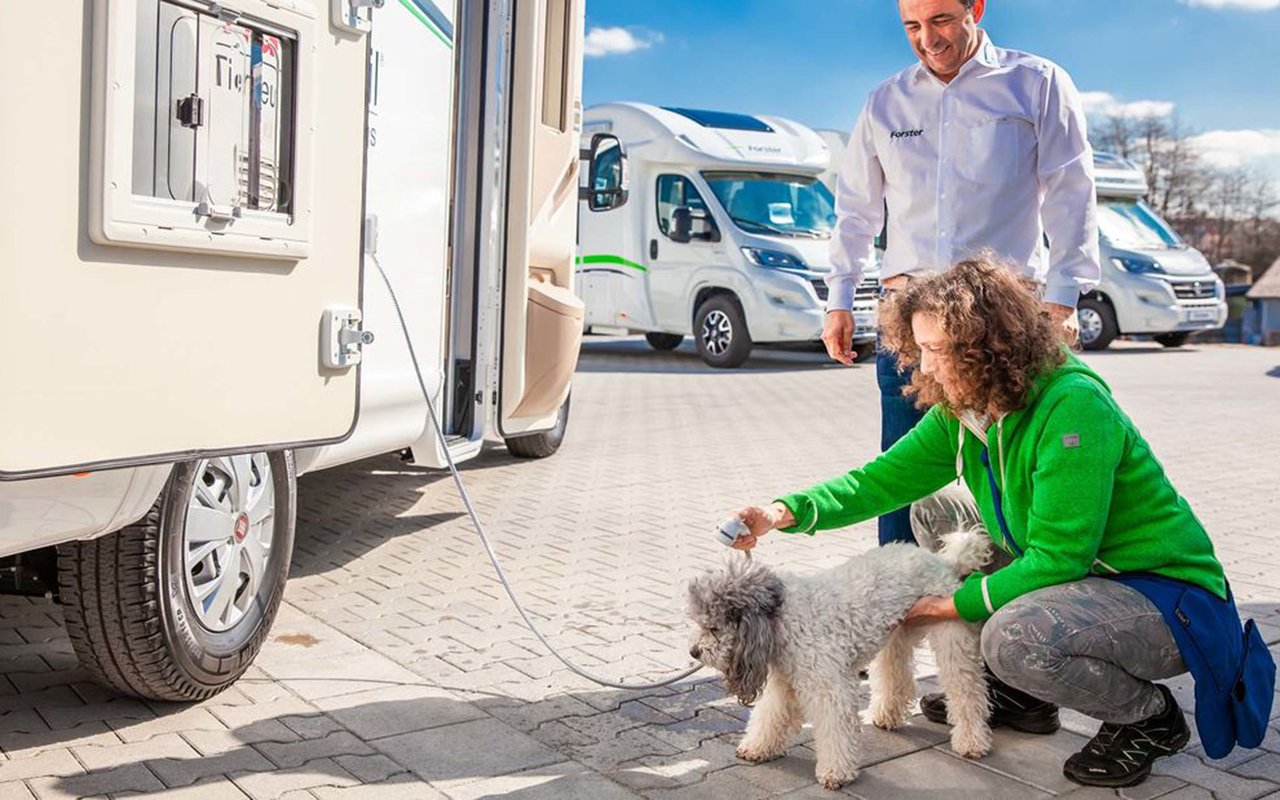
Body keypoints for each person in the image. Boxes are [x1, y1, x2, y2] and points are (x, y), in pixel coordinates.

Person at [732, 258, 1240, 788]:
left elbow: (1060, 555)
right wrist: (780, 513)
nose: (924, 368)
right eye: (919, 348)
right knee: (934, 511)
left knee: (1012, 639)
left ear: (985, 347)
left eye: (936, 351)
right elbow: (880, 481)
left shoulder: (1074, 408)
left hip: (1166, 598)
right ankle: (1024, 696)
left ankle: (1149, 718)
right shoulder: (967, 405)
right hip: (1084, 570)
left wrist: (948, 605)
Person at [822, 0, 1101, 548]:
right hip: (911, 327)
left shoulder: (1036, 83)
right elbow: (855, 210)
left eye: (942, 20)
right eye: (912, 26)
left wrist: (1064, 299)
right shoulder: (884, 103)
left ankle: (1007, 617)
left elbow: (1072, 194)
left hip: (1000, 322)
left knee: (1009, 478)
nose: (928, 39)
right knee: (900, 478)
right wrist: (839, 300)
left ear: (976, 7)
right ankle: (898, 620)